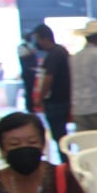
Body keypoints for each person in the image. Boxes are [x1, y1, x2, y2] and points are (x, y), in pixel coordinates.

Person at [33, 25, 73, 162]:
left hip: (55, 101)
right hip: (64, 98)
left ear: (43, 38)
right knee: (62, 134)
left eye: (37, 39)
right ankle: (66, 161)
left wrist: (40, 98)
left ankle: (65, 164)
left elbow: (48, 78)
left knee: (59, 135)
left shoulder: (53, 55)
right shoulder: (62, 51)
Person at [18, 31, 40, 114]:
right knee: (28, 90)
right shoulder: (21, 47)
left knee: (32, 91)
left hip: (33, 71)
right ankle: (29, 107)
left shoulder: (30, 45)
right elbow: (23, 56)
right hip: (27, 73)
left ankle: (32, 106)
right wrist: (31, 52)